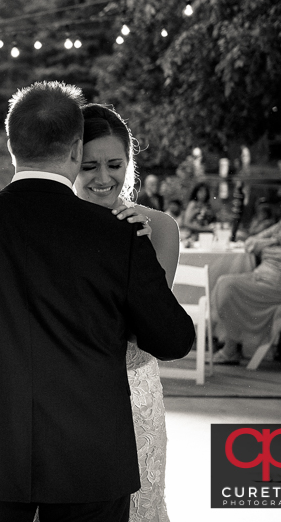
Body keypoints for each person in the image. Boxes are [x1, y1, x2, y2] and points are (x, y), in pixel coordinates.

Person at [0, 81, 194, 521]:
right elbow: (173, 339)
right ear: (76, 149)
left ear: (10, 145)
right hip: (92, 461)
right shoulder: (120, 234)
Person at [73, 104, 182, 522]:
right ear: (69, 164)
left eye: (115, 164)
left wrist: (135, 247)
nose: (104, 178)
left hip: (133, 390)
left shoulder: (159, 227)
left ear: (129, 163)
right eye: (89, 166)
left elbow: (149, 328)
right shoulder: (51, 227)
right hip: (66, 390)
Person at [211, 186, 281, 365]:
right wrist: (275, 241)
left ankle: (230, 349)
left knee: (227, 286)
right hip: (260, 278)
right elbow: (251, 243)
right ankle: (231, 347)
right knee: (224, 284)